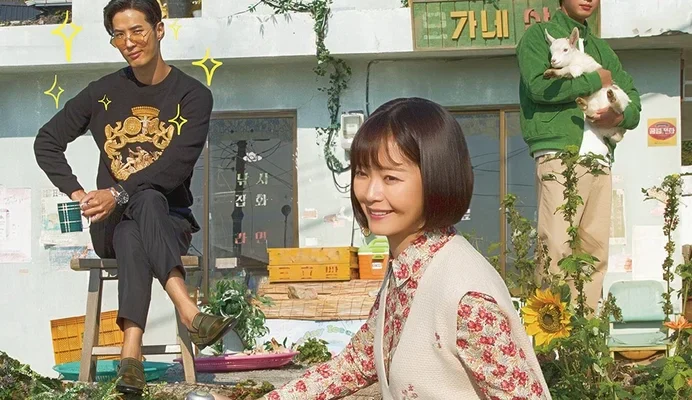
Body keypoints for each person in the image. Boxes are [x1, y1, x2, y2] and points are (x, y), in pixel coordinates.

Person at [261, 98, 551, 400]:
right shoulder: (406, 271)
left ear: (437, 178)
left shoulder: (466, 298)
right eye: (362, 173)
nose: (370, 193)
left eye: (390, 178)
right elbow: (356, 363)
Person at [33, 0, 234, 394]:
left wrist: (118, 191)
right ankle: (188, 309)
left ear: (159, 29)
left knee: (145, 206)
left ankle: (130, 355)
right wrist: (78, 193)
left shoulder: (193, 95)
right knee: (134, 213)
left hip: (168, 223)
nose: (129, 42)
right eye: (118, 35)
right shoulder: (102, 92)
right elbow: (47, 141)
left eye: (137, 30)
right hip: (107, 224)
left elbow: (175, 167)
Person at [516, 0, 641, 312]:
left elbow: (633, 101)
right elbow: (538, 88)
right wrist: (596, 80)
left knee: (594, 254)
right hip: (558, 153)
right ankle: (552, 333)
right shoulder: (538, 37)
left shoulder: (601, 49)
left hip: (599, 158)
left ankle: (587, 331)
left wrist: (620, 117)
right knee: (555, 247)